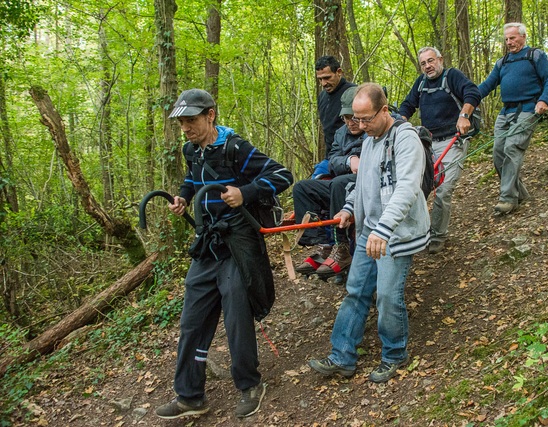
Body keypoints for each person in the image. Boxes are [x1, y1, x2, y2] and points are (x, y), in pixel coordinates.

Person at [155, 89, 293, 420]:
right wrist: (184, 198)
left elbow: (281, 175)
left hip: (237, 240)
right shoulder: (192, 150)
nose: (186, 128)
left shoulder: (235, 147)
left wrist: (244, 192)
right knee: (192, 318)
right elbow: (192, 178)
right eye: (182, 123)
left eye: (191, 121)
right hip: (207, 242)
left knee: (236, 313)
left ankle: (249, 384)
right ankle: (189, 395)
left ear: (210, 115)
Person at [308, 83, 430, 383]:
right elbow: (361, 183)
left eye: (366, 119)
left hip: (395, 234)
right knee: (355, 291)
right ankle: (342, 356)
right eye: (356, 120)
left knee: (388, 296)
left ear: (384, 110)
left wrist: (384, 230)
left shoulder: (405, 139)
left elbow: (407, 188)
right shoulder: (369, 141)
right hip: (369, 232)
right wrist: (349, 208)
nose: (360, 126)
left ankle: (394, 354)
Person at [399, 46, 481, 254]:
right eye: (423, 63)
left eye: (431, 61)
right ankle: (417, 232)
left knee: (443, 190)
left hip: (452, 141)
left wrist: (464, 116)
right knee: (418, 188)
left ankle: (437, 236)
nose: (428, 66)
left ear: (440, 59)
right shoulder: (421, 83)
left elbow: (472, 92)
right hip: (427, 144)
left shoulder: (451, 76)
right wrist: (399, 122)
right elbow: (408, 105)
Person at [478, 22, 548, 214]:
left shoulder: (535, 55)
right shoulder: (502, 62)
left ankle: (508, 198)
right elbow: (486, 85)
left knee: (512, 147)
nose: (509, 42)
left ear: (523, 37)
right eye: (506, 39)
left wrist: (544, 100)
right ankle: (520, 193)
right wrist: (468, 99)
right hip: (505, 112)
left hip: (528, 109)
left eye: (512, 38)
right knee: (498, 152)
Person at [293, 86, 365, 279]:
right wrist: (349, 161)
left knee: (338, 183)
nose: (350, 122)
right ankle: (323, 244)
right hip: (343, 179)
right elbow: (332, 159)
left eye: (354, 117)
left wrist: (361, 161)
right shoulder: (341, 133)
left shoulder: (372, 127)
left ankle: (341, 245)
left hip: (364, 183)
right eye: (346, 118)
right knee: (303, 188)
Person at [315, 55, 357, 164]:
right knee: (313, 179)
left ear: (339, 72)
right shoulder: (322, 97)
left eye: (327, 78)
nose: (324, 83)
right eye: (320, 79)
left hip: (352, 154)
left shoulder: (354, 93)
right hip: (331, 157)